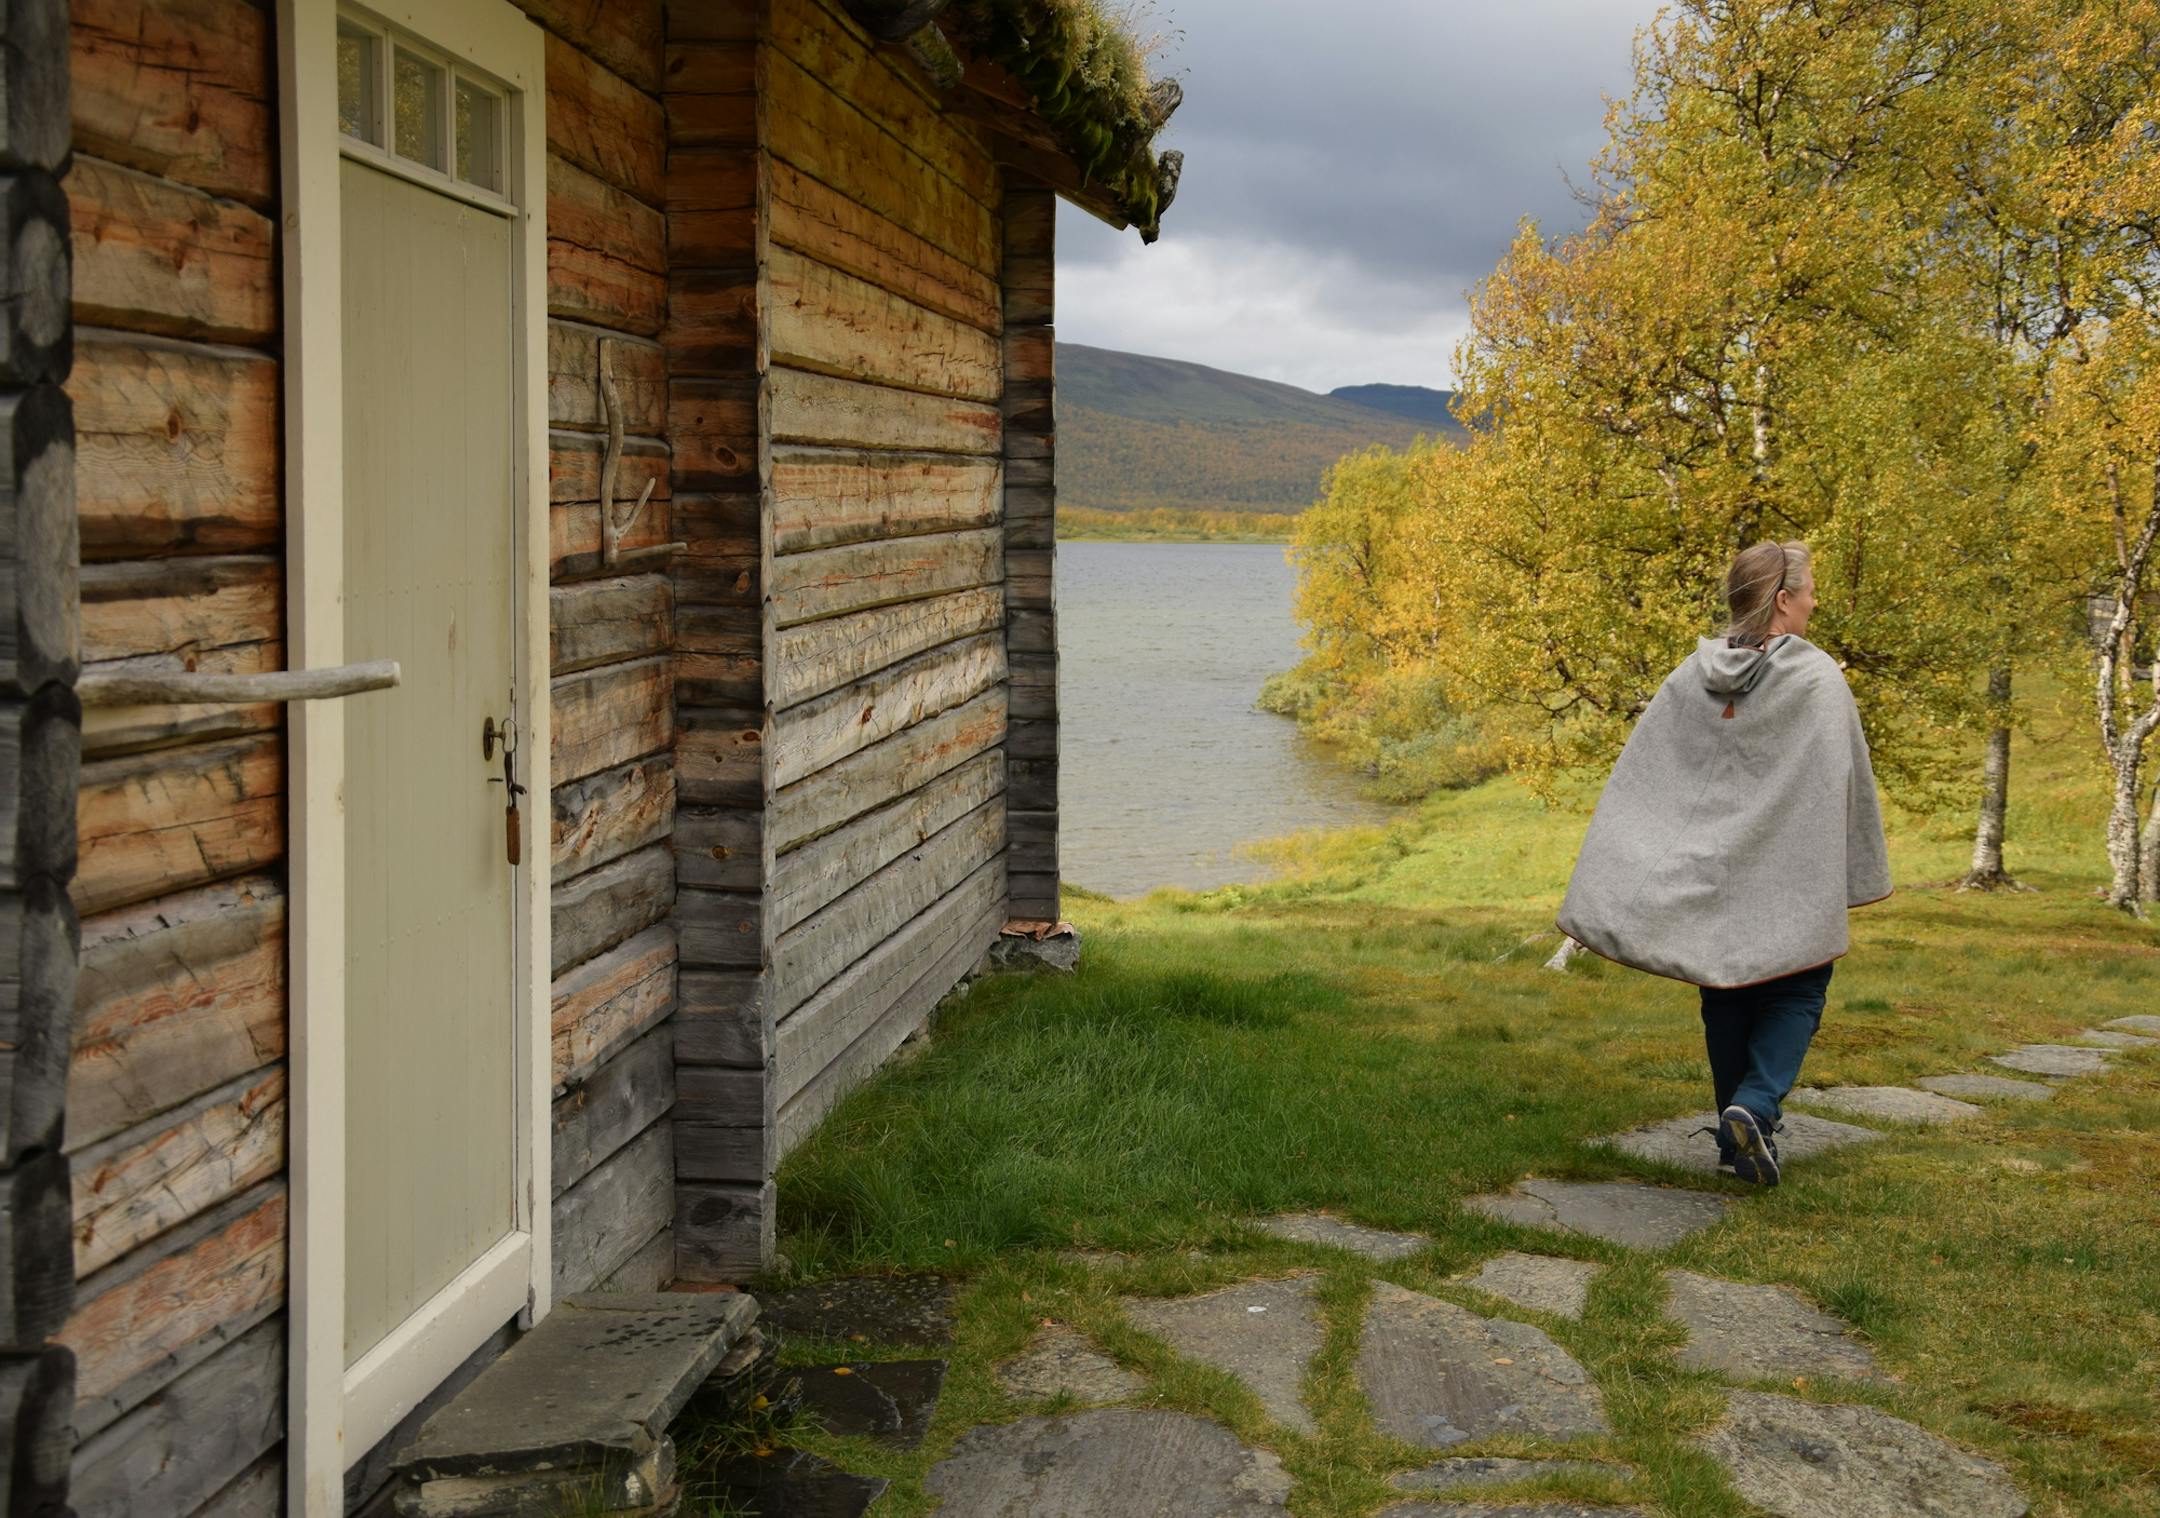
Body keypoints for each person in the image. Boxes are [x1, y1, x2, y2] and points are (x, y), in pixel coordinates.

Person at [1554, 541, 1892, 1186]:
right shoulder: (1817, 677)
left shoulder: (1691, 674)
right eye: (1811, 590)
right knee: (1800, 984)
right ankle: (1756, 1107)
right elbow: (1838, 779)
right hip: (1787, 864)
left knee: (1724, 990)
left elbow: (1651, 778)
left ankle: (1735, 1141)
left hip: (1710, 868)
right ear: (1785, 599)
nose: (1816, 602)